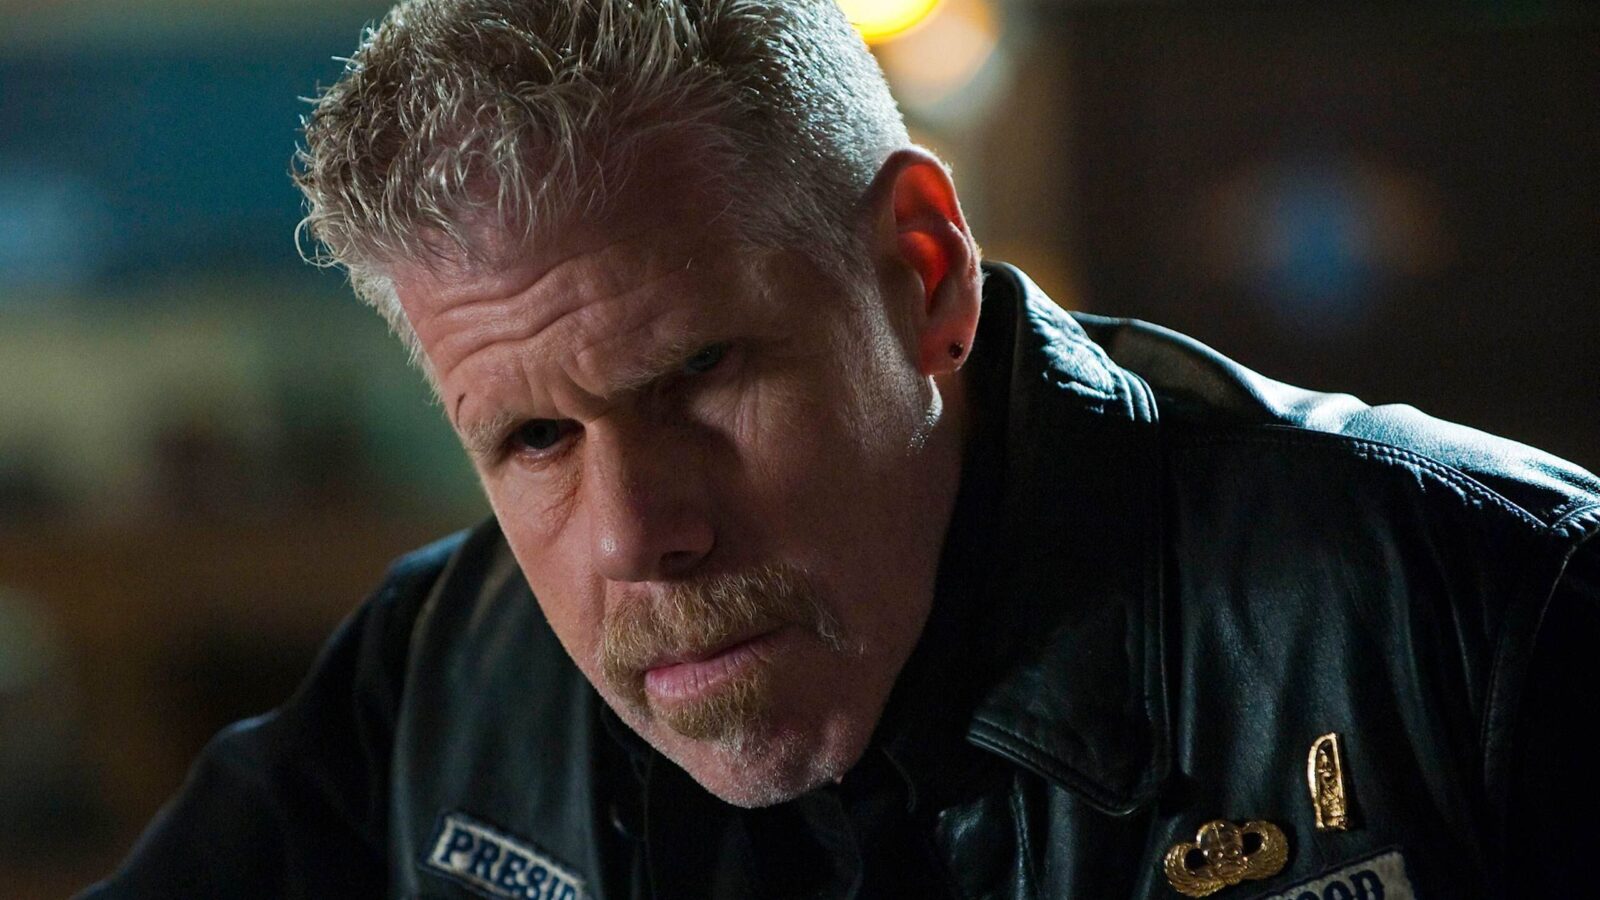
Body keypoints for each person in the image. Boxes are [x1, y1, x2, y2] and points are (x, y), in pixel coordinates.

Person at [83, 1, 1598, 898]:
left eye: (700, 374)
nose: (636, 535)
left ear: (922, 277)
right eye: (535, 435)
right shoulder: (439, 685)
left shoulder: (1483, 617)